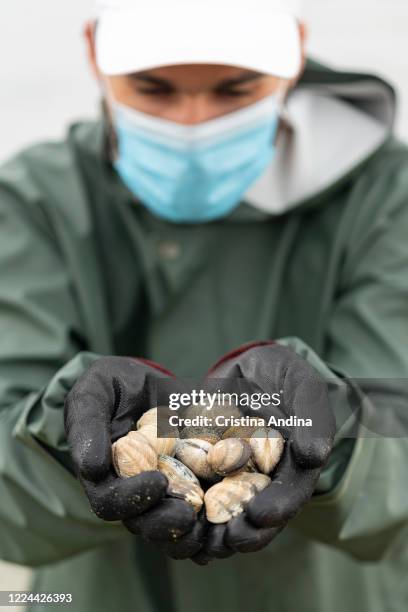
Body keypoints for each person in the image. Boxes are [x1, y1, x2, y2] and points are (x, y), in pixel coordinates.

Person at [0, 0, 408, 610]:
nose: (193, 121)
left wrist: (335, 435)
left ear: (296, 50)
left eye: (235, 90)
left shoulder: (388, 199)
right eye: (153, 88)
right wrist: (69, 442)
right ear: (92, 51)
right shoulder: (34, 202)